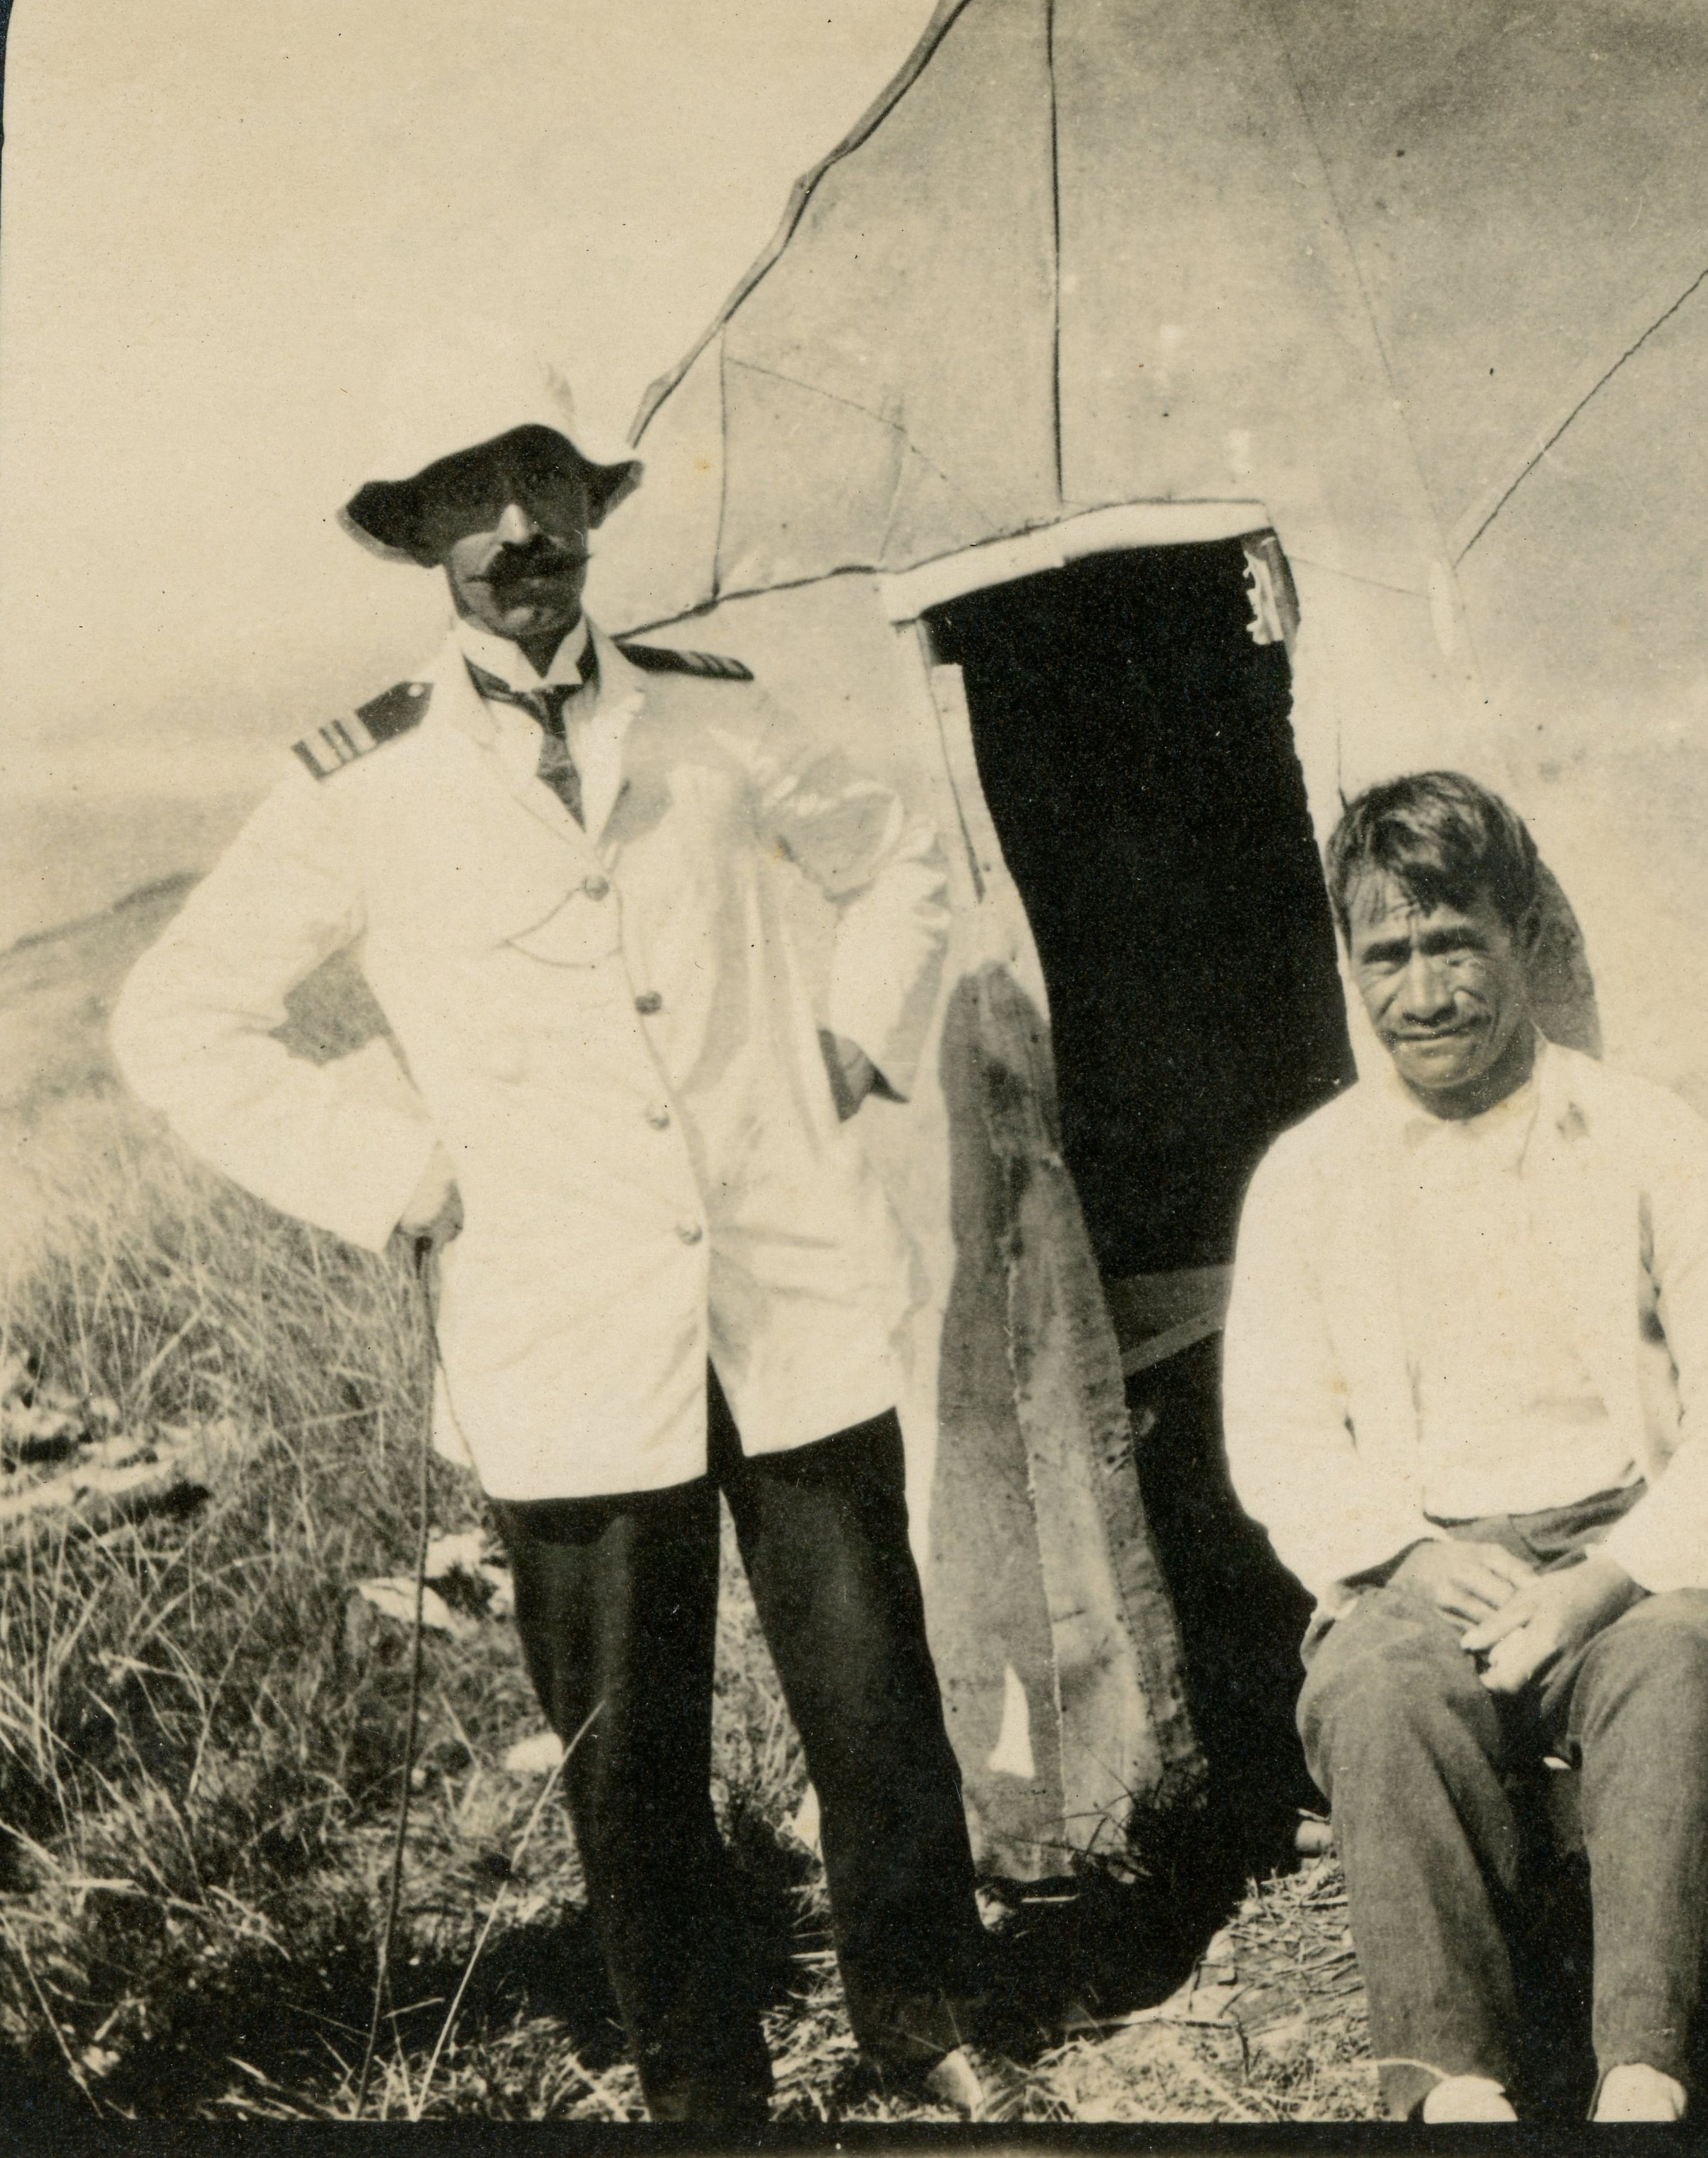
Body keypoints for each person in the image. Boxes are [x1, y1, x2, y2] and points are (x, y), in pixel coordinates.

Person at [111, 326, 1029, 2125]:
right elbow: (175, 1021)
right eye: (474, 496)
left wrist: (851, 1037)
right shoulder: (354, 785)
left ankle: (926, 2012)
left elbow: (900, 857)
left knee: (873, 1698)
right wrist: (393, 1168)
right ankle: (704, 2079)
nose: (521, 525)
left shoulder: (715, 708)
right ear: (420, 534)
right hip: (555, 1332)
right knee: (632, 1756)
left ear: (592, 505)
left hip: (784, 1290)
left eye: (548, 481)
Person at [1221, 771, 1708, 2123]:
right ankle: (1458, 2096)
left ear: (1523, 940)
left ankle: (1646, 2079)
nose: (1426, 995)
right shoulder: (1313, 1175)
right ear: (1350, 963)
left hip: (1629, 1553)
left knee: (1675, 1671)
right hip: (1423, 1563)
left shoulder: (1650, 1140)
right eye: (1389, 954)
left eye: (1456, 946)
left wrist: (1606, 1580)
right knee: (1377, 1695)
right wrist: (1408, 1557)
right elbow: (1277, 1430)